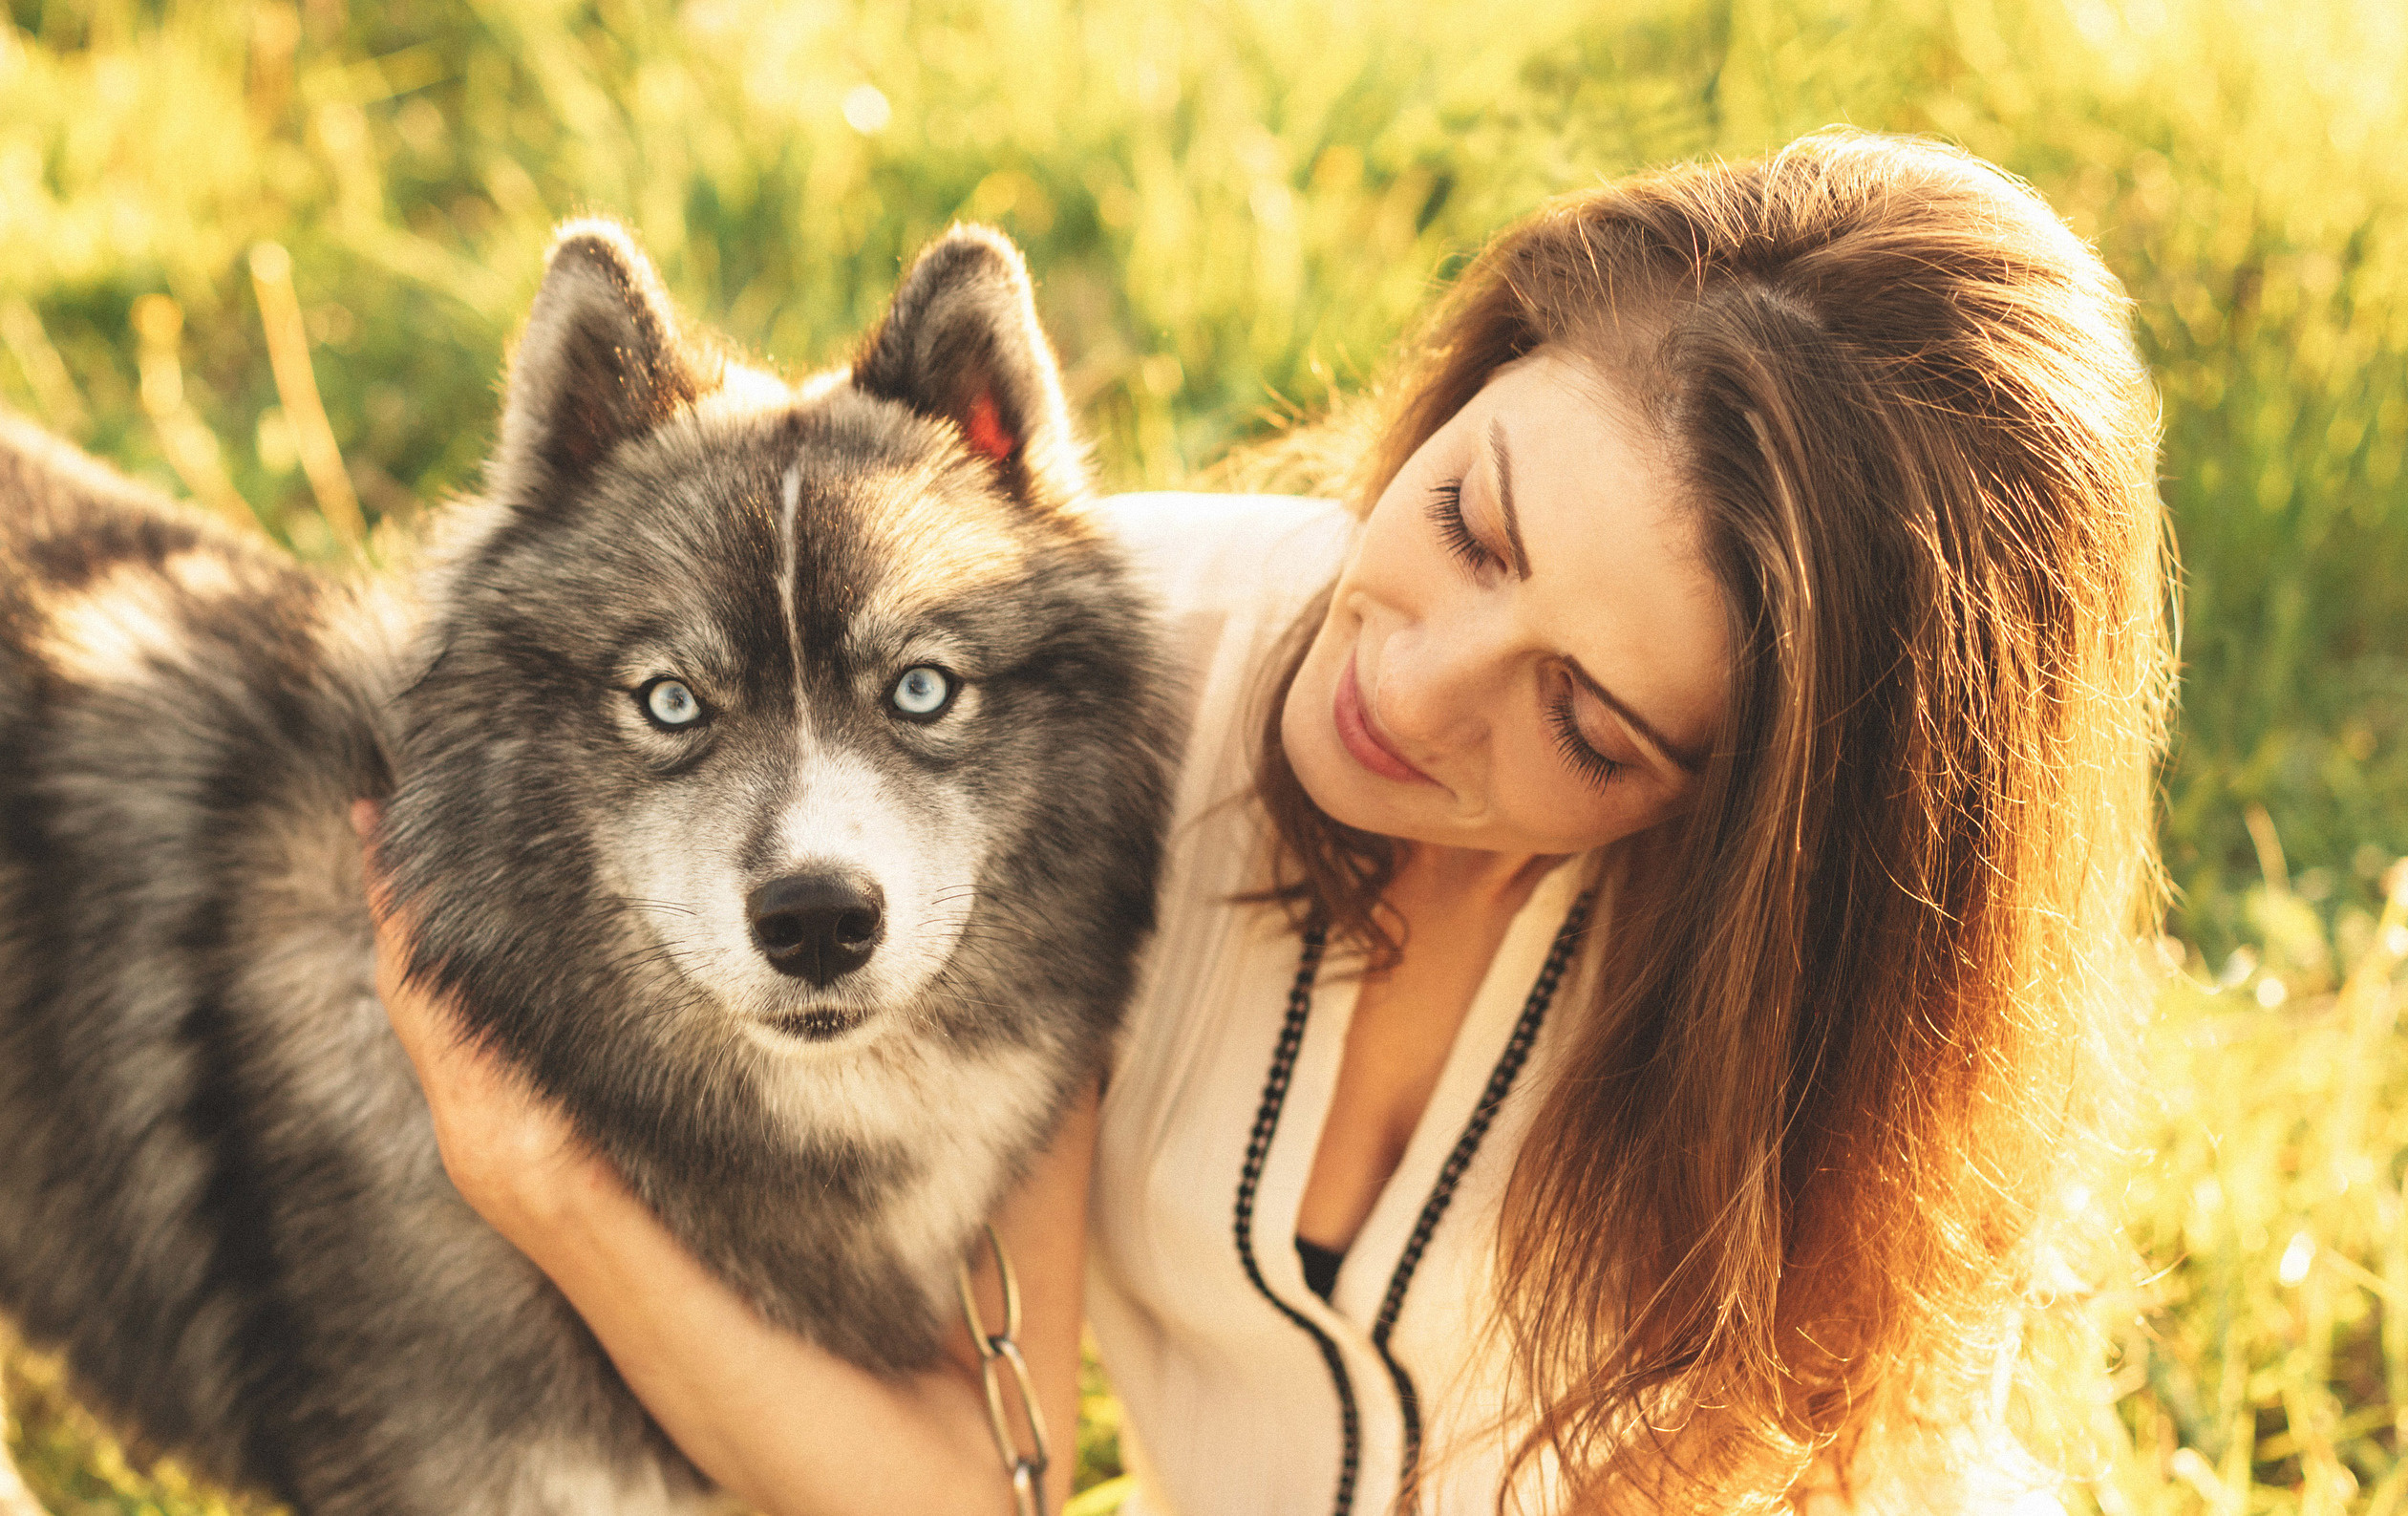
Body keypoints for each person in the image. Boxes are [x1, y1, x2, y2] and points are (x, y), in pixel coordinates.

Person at [370, 130, 2171, 1514]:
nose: (1418, 684)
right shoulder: (1051, 713)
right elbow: (970, 1479)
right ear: (1477, 374)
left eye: (1588, 721)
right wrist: (543, 1188)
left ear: (1764, 815)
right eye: (1473, 521)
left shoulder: (1844, 974)